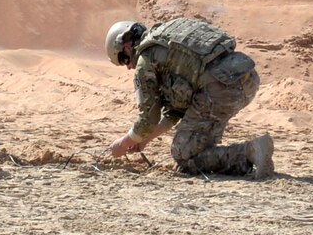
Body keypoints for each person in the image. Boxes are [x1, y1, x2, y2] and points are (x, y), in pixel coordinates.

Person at [105, 17, 274, 179]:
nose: (128, 67)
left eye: (123, 59)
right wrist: (145, 139)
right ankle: (247, 159)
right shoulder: (168, 35)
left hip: (219, 90)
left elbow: (147, 119)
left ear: (127, 46)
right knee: (196, 148)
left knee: (183, 155)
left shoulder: (146, 60)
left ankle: (251, 152)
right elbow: (175, 111)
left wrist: (123, 143)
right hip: (246, 79)